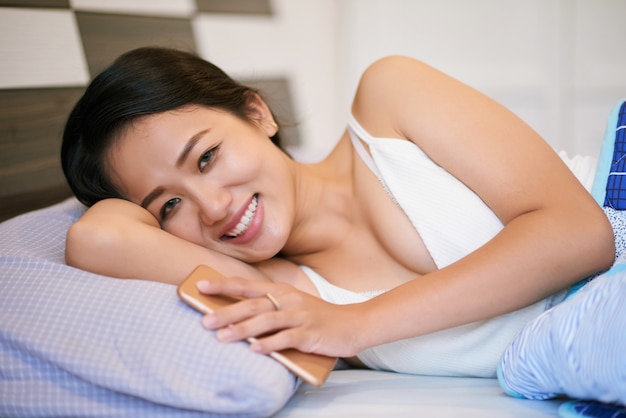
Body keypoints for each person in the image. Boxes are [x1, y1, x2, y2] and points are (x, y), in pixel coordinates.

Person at [61, 47, 622, 401]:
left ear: (257, 114)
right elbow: (97, 237)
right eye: (169, 206)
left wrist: (354, 325)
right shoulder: (291, 297)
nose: (212, 207)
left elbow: (580, 233)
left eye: (206, 157)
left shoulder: (387, 99)